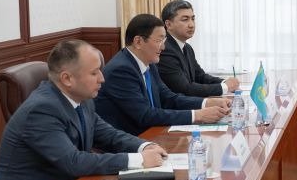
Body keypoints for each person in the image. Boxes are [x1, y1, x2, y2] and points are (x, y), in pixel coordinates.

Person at [0, 40, 168, 180]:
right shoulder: (41, 110)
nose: (102, 78)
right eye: (94, 73)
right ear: (67, 79)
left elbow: (108, 134)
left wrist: (144, 146)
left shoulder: (82, 98)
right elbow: (73, 162)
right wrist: (139, 160)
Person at [95, 14, 230, 135]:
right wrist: (197, 115)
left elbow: (168, 98)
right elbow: (145, 115)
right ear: (138, 42)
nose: (163, 47)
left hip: (152, 133)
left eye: (164, 41)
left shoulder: (149, 64)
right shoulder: (121, 70)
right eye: (159, 40)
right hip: (130, 140)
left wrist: (206, 102)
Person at [158, 0, 240, 97]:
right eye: (185, 19)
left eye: (193, 19)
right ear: (168, 24)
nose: (191, 25)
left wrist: (225, 82)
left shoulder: (187, 48)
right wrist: (225, 87)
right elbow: (184, 89)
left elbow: (200, 76)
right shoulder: (164, 49)